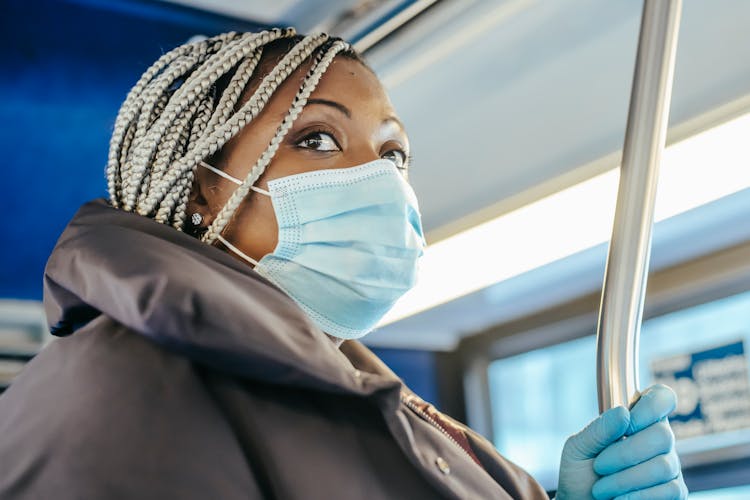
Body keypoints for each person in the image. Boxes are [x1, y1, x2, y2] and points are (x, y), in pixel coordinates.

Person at [0, 29, 687, 499]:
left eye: (392, 154)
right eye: (319, 138)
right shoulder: (125, 387)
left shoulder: (355, 396)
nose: (381, 180)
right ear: (203, 192)